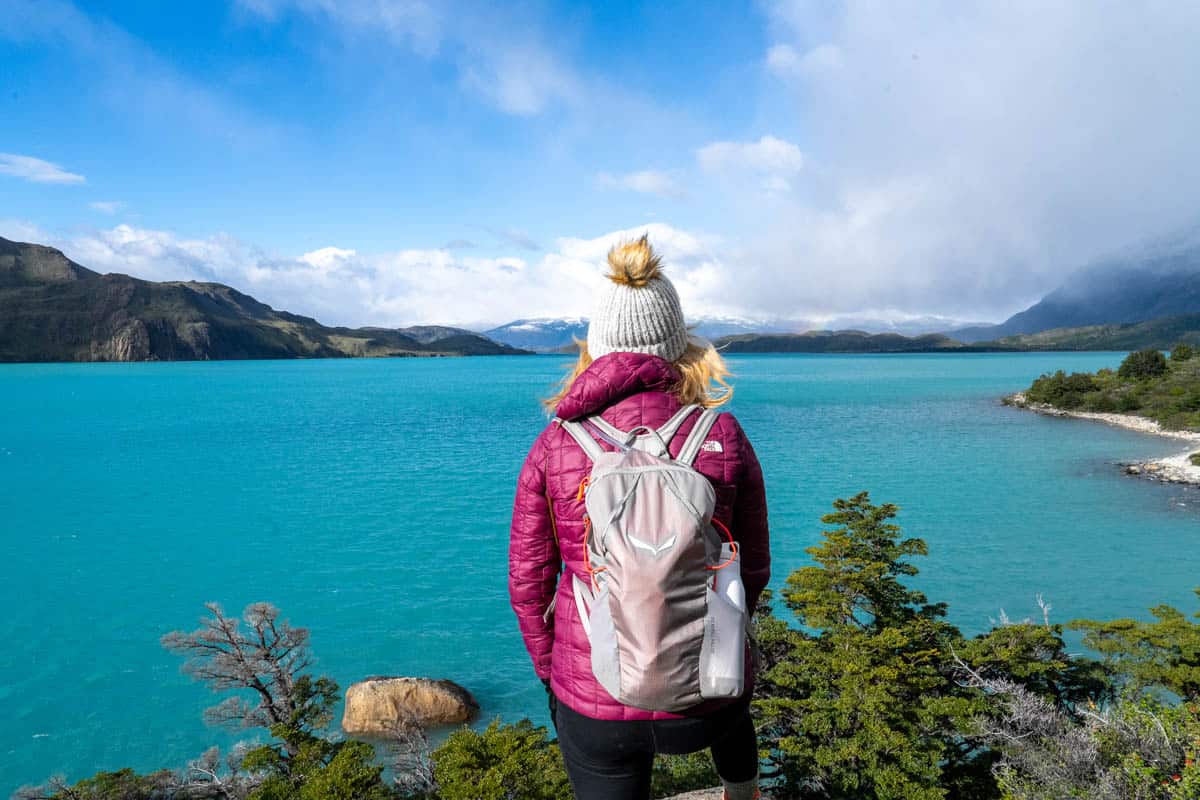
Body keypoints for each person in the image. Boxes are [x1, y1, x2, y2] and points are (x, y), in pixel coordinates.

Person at [508, 234, 771, 800]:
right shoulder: (719, 433)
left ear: (593, 349)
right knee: (733, 720)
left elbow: (529, 586)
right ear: (681, 346)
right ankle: (742, 790)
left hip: (595, 697)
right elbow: (753, 569)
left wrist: (556, 675)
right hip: (709, 692)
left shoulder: (556, 444)